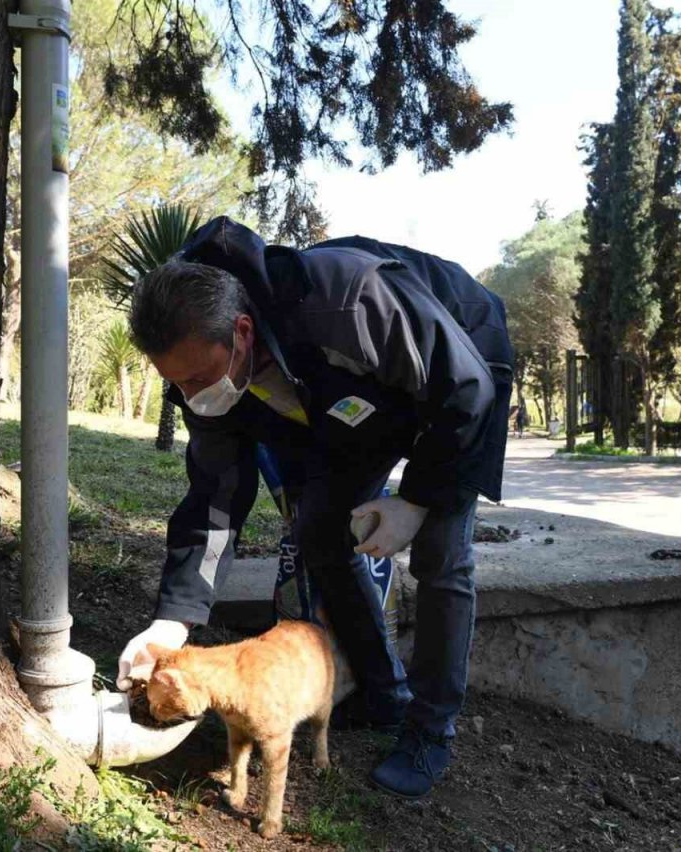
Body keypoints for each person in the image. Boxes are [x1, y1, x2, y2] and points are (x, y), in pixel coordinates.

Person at [114, 217, 513, 799]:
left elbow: (465, 391)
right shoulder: (204, 379)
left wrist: (417, 498)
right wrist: (171, 621)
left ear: (243, 333)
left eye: (200, 378)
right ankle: (385, 694)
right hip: (357, 408)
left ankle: (430, 733)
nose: (194, 397)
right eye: (178, 386)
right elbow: (215, 500)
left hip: (460, 372)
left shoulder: (347, 303)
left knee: (441, 558)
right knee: (320, 532)